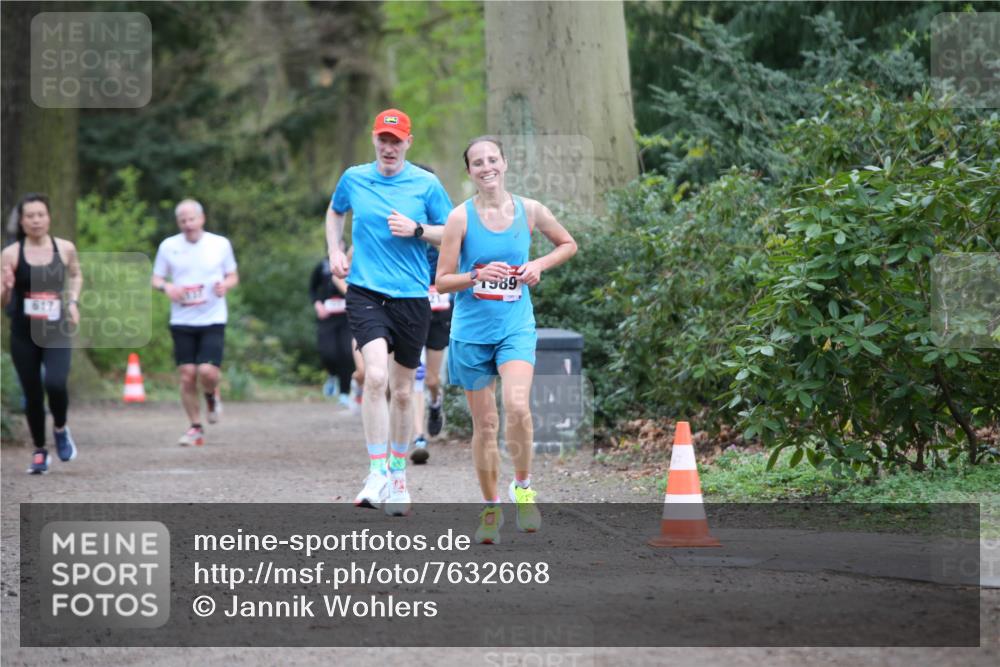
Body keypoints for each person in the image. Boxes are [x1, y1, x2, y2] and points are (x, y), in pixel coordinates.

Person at [435, 136, 577, 544]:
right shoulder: (459, 219)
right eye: (477, 163)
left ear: (505, 163)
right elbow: (442, 281)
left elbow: (568, 244)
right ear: (469, 172)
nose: (486, 167)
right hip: (471, 334)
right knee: (486, 424)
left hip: (515, 326)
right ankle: (491, 508)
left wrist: (538, 265)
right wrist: (476, 275)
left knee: (516, 407)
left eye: (492, 159)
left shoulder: (529, 210)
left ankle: (524, 487)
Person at [326, 108, 452, 516]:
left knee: (402, 392)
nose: (389, 147)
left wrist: (417, 230)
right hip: (365, 291)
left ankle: (398, 476)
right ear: (374, 140)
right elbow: (335, 210)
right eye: (383, 139)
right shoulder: (355, 178)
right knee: (374, 376)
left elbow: (452, 233)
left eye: (396, 141)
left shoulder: (427, 185)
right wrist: (334, 248)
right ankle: (376, 470)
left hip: (412, 297)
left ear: (408, 143)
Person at [1, 193, 83, 474]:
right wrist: (7, 289)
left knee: (57, 384)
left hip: (55, 330)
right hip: (24, 333)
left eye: (40, 214)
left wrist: (72, 301)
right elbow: (2, 302)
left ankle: (60, 428)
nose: (36, 220)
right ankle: (39, 450)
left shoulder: (65, 248)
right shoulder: (11, 254)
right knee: (32, 393)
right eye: (30, 216)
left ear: (49, 217)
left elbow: (75, 275)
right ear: (22, 221)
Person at [152, 199, 238, 447]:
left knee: (207, 371)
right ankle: (195, 427)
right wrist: (167, 287)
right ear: (178, 223)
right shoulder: (169, 246)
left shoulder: (219, 244)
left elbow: (233, 275)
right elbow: (156, 278)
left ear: (202, 219)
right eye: (183, 221)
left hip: (212, 317)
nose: (188, 224)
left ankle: (211, 395)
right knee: (187, 375)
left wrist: (226, 285)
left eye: (192, 219)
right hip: (181, 319)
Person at [309, 255, 354, 407]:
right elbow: (312, 288)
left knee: (347, 354)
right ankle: (332, 374)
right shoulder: (322, 265)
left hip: (347, 317)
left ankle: (344, 393)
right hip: (327, 317)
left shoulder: (353, 262)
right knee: (328, 352)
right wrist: (317, 304)